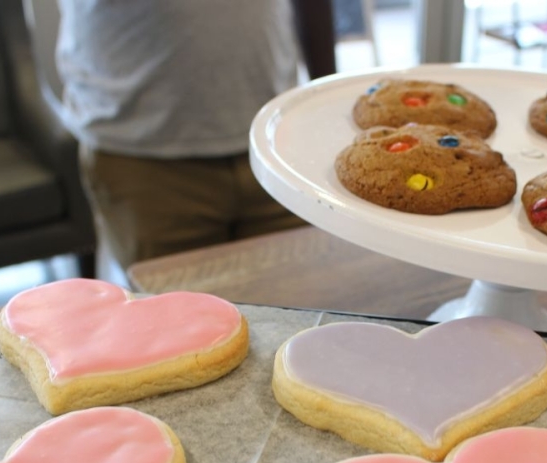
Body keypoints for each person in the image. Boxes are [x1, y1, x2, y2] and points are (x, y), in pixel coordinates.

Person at [55, 0, 337, 275]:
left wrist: (326, 101)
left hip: (278, 148)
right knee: (172, 317)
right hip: (145, 161)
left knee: (301, 310)